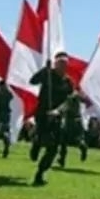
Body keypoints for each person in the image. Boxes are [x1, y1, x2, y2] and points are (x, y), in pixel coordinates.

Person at [29, 53, 78, 186]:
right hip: (42, 114)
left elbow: (69, 102)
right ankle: (36, 143)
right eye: (60, 64)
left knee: (53, 148)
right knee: (43, 137)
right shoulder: (48, 75)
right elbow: (32, 81)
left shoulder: (68, 82)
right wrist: (45, 70)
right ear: (55, 64)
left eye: (65, 65)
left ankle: (40, 173)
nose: (62, 67)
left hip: (56, 116)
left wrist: (58, 111)